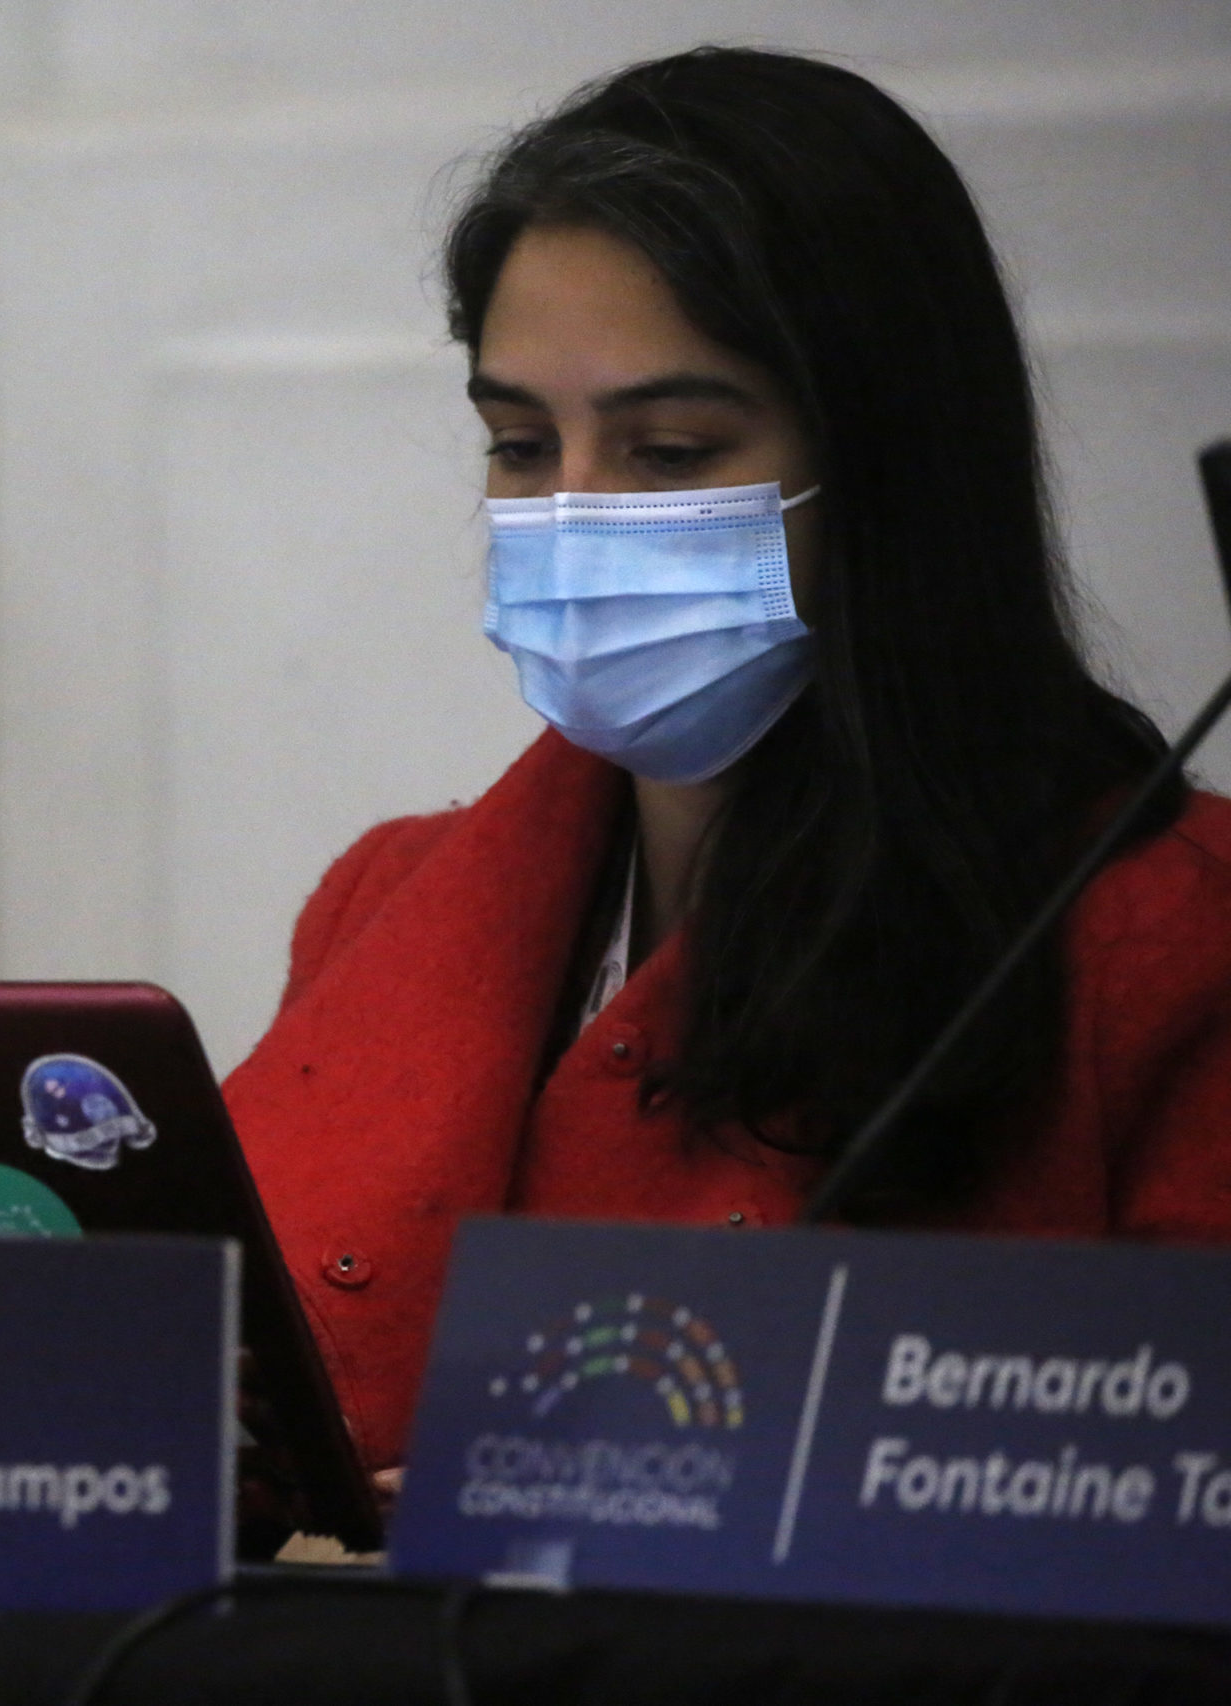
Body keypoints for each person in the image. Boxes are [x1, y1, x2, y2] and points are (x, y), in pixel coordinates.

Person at [223, 47, 1231, 1483]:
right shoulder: (378, 900)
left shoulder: (1167, 931)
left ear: (888, 469)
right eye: (520, 443)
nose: (574, 511)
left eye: (670, 450)